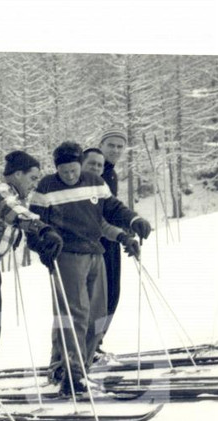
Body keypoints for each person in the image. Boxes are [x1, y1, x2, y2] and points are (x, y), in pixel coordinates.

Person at [30, 141, 150, 396]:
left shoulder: (94, 182)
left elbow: (111, 211)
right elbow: (33, 225)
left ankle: (80, 369)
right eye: (64, 171)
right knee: (76, 316)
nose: (70, 176)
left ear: (80, 165)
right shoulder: (46, 187)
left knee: (97, 315)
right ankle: (72, 376)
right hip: (67, 256)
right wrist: (43, 248)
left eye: (73, 170)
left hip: (96, 252)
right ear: (57, 169)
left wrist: (131, 224)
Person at [0, 150, 61, 412]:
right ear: (17, 174)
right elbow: (12, 210)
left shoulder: (18, 197)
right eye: (32, 177)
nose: (34, 183)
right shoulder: (0, 189)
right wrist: (40, 226)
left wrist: (41, 244)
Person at [94, 129, 129, 361]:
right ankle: (91, 344)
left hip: (112, 239)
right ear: (101, 145)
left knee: (113, 294)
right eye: (111, 146)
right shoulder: (96, 170)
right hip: (100, 240)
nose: (115, 150)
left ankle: (96, 343)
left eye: (119, 146)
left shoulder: (111, 172)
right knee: (102, 295)